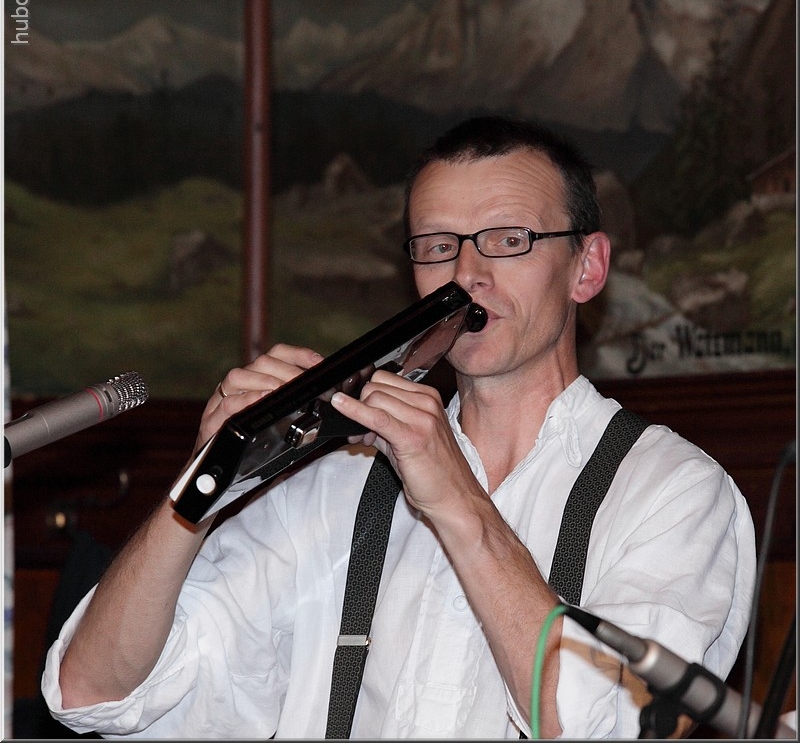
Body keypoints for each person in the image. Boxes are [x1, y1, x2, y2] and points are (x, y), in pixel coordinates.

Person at [42, 116, 756, 738]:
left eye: (508, 239)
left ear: (587, 268)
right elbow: (91, 692)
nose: (467, 274)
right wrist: (201, 488)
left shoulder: (674, 491)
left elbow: (612, 724)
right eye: (438, 245)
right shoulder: (335, 484)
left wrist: (461, 503)